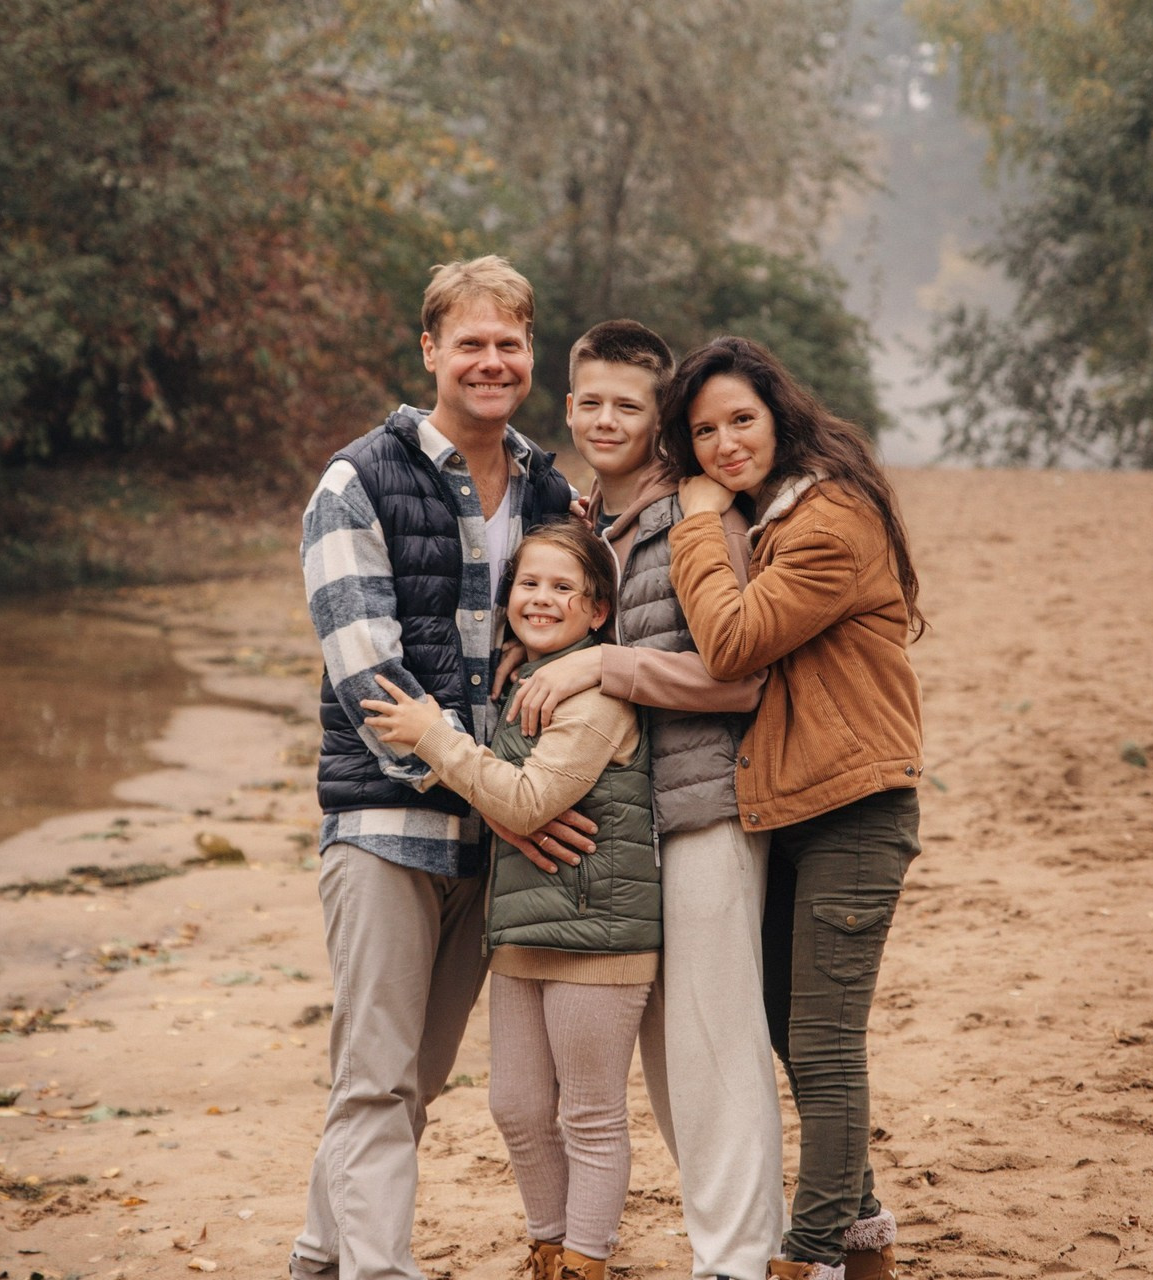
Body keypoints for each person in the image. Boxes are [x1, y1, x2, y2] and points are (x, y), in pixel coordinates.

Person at [290, 255, 574, 1280]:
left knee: (413, 1075)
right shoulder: (354, 480)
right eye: (470, 342)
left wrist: (517, 793)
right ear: (429, 351)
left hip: (492, 835)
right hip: (385, 825)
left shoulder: (550, 486)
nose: (490, 361)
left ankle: (318, 1254)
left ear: (528, 353)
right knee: (375, 1076)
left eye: (508, 342)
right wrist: (494, 788)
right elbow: (371, 681)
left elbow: (567, 644)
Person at [509, 320, 785, 1280]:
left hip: (706, 806)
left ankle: (741, 1259)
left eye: (629, 403)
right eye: (588, 401)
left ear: (660, 412)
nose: (604, 418)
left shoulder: (695, 521)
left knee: (715, 1045)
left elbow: (738, 676)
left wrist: (608, 664)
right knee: (668, 1061)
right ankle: (747, 1244)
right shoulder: (592, 525)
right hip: (631, 833)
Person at [660, 336, 925, 1280]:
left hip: (856, 806)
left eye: (742, 420)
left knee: (823, 1042)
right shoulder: (773, 513)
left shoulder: (827, 519)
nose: (727, 444)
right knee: (787, 1026)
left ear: (779, 415)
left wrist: (694, 519)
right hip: (797, 808)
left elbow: (730, 642)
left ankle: (808, 1255)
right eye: (704, 434)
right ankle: (863, 1237)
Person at [361, 519, 659, 1280]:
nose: (542, 598)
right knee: (518, 1108)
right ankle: (549, 1246)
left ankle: (585, 1261)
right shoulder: (525, 678)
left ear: (598, 612)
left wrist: (433, 734)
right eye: (529, 583)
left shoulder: (595, 697)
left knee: (588, 1114)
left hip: (600, 932)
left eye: (564, 588)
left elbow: (526, 803)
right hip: (524, 922)